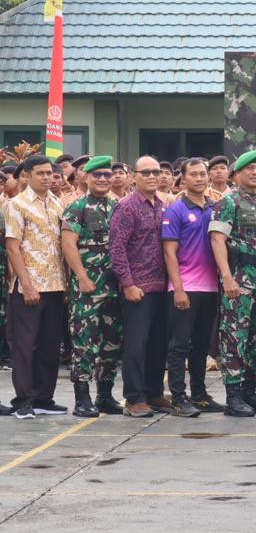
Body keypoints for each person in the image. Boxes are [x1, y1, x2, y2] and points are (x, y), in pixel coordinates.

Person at [209, 150, 256, 417]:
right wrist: (227, 277)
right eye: (250, 168)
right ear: (237, 174)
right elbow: (217, 240)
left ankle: (250, 391)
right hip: (239, 279)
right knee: (234, 337)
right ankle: (234, 395)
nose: (255, 173)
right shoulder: (228, 202)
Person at [5, 155, 69, 419]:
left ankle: (44, 398)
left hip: (55, 284)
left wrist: (66, 283)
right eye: (40, 173)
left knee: (50, 345)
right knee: (24, 345)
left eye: (49, 173)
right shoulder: (16, 205)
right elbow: (13, 247)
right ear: (27, 175)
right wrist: (27, 284)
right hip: (28, 286)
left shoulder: (57, 203)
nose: (47, 178)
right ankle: (23, 400)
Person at [60, 155, 124, 417]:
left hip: (114, 284)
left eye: (107, 175)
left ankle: (105, 395)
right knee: (84, 341)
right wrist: (82, 277)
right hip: (87, 286)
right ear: (86, 177)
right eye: (97, 175)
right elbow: (68, 244)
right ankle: (82, 398)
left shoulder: (118, 206)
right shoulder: (77, 207)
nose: (103, 179)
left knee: (112, 341)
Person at [109, 156, 172, 418]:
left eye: (156, 172)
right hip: (137, 288)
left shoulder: (162, 205)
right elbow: (117, 249)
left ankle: (153, 392)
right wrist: (128, 284)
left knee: (159, 343)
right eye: (146, 172)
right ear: (134, 176)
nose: (152, 176)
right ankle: (134, 398)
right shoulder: (127, 207)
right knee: (136, 345)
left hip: (162, 286)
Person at [159, 158, 222, 417]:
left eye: (202, 174)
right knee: (179, 345)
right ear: (183, 179)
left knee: (201, 345)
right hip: (185, 287)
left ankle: (199, 394)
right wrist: (178, 288)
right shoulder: (175, 210)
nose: (199, 178)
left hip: (210, 288)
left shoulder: (215, 207)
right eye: (193, 174)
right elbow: (169, 253)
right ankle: (178, 397)